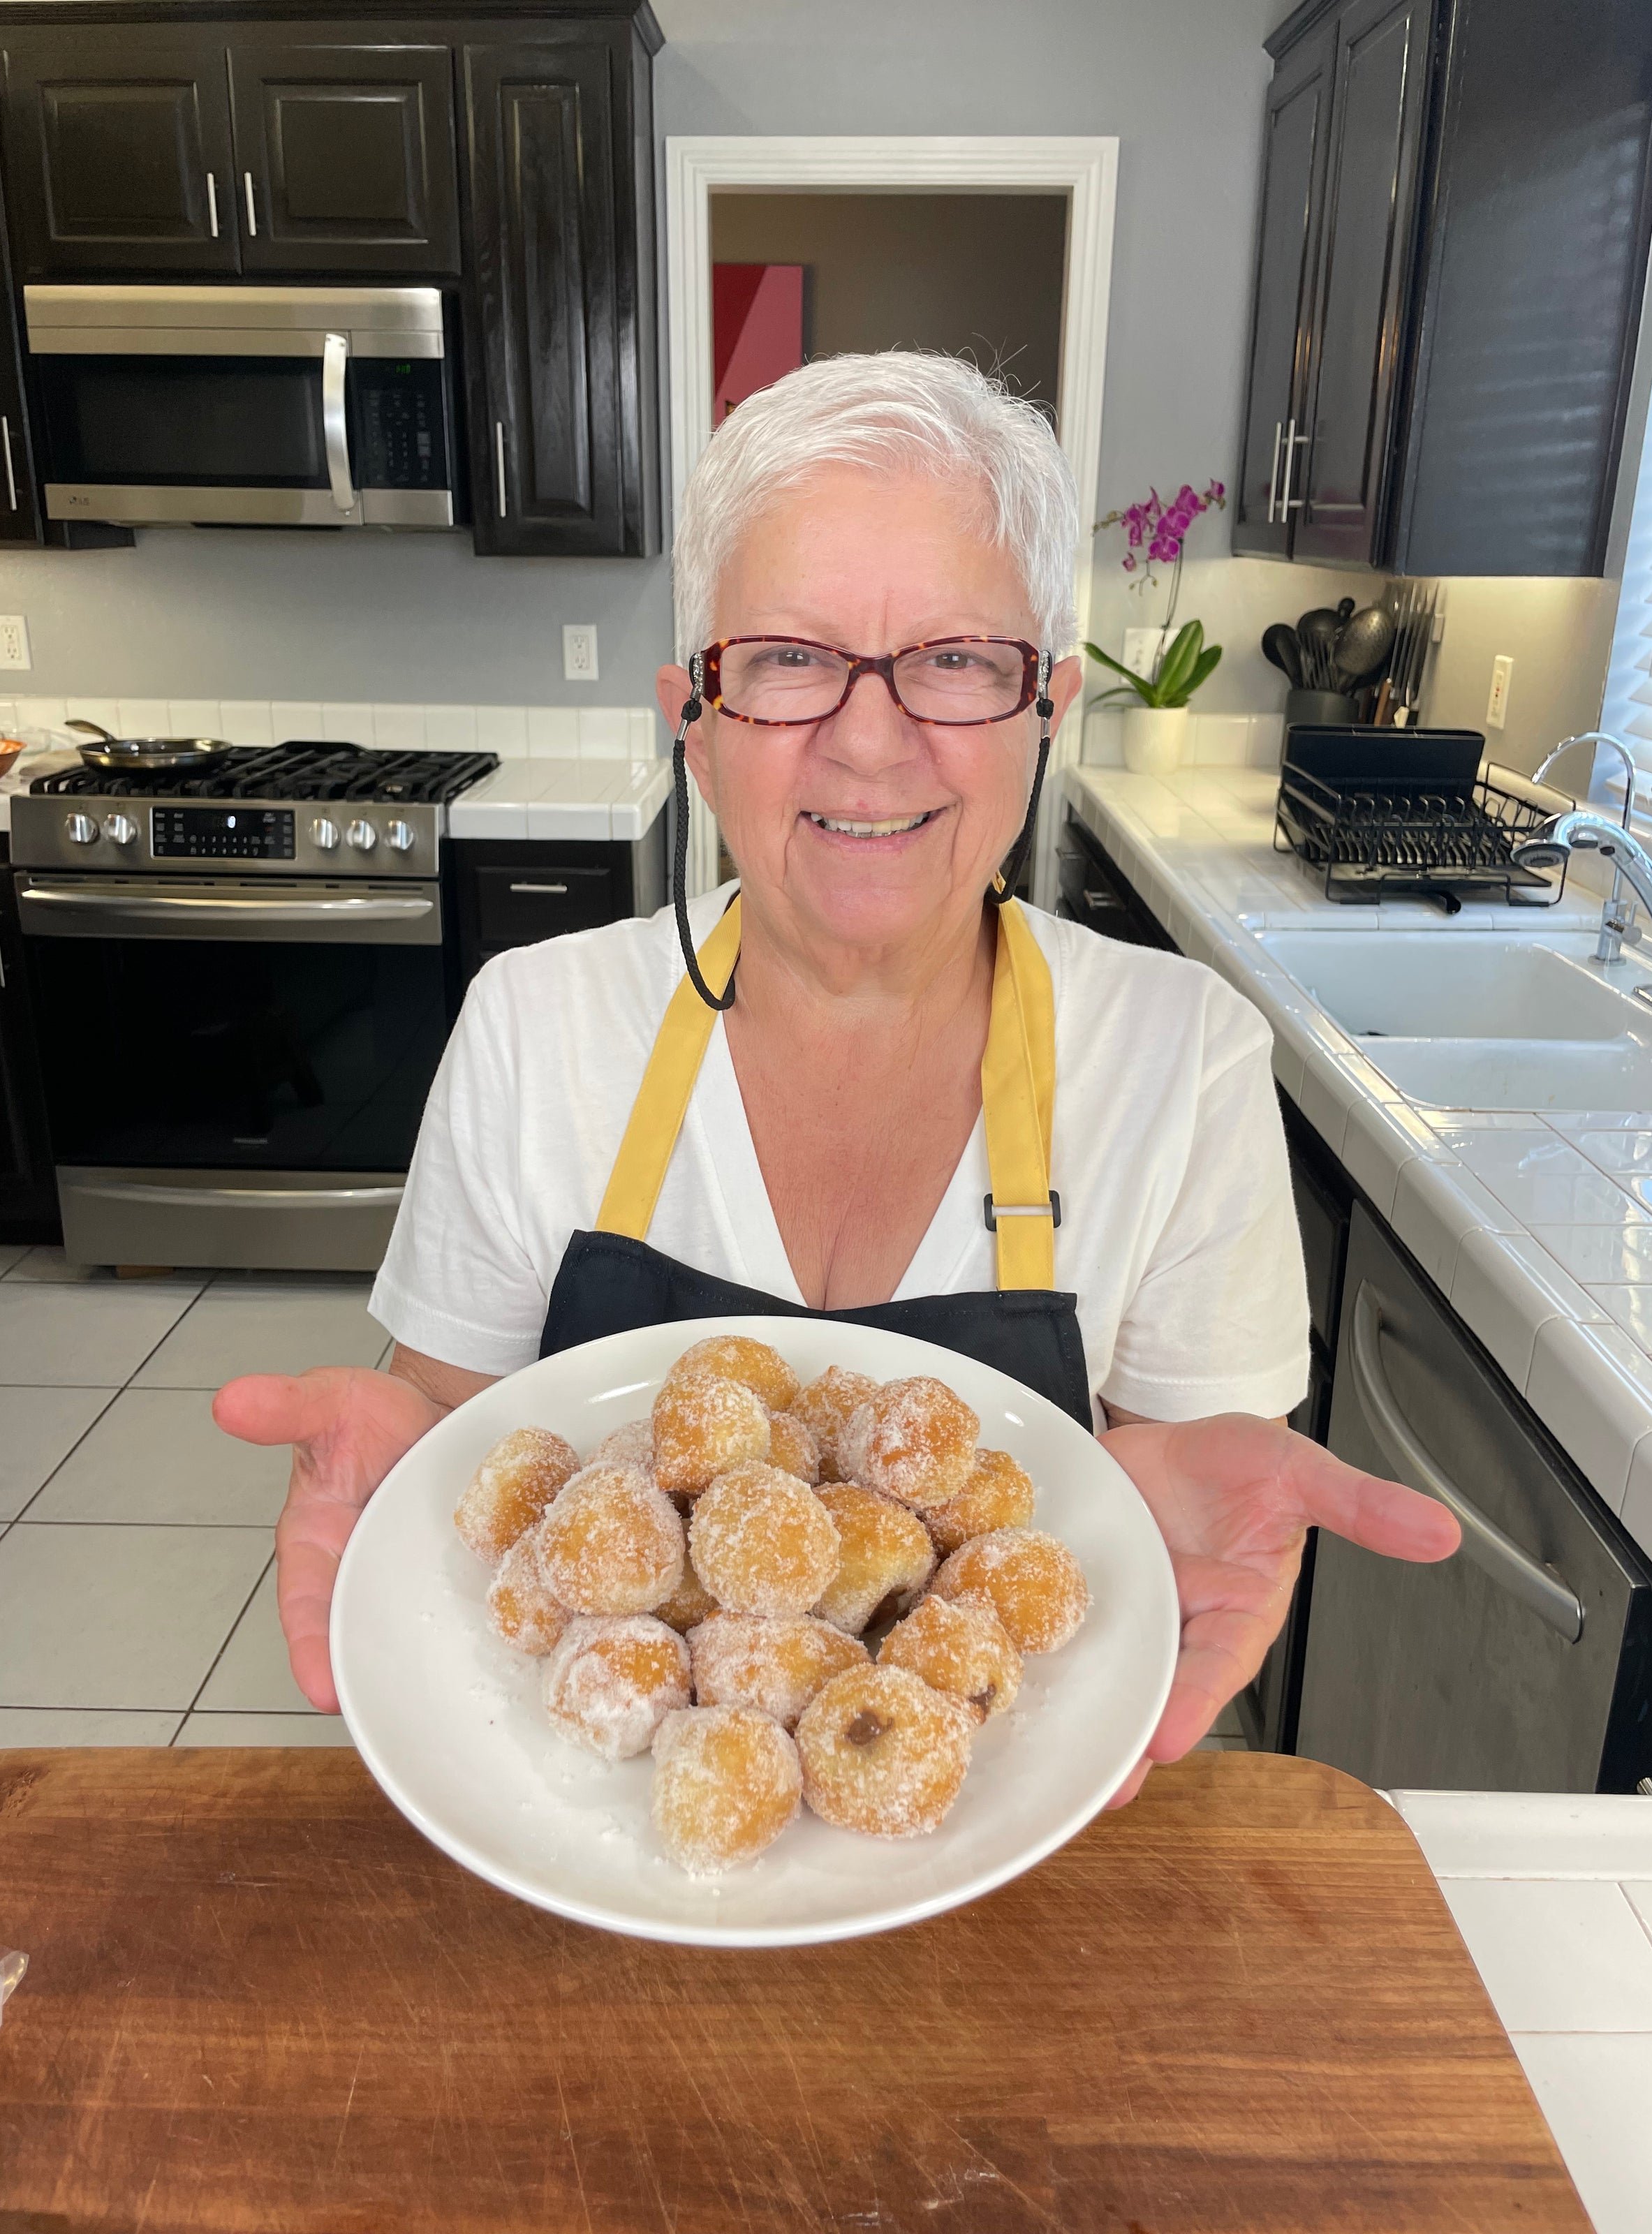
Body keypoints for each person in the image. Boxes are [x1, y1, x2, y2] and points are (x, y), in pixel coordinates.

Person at [215, 352, 1457, 1804]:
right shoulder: (532, 1026)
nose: (870, 743)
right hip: (589, 1860)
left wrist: (1178, 1485)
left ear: (1047, 704)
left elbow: (1170, 1481)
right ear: (697, 714)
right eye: (792, 658)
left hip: (1000, 1848)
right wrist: (412, 1456)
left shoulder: (1180, 1058)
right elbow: (458, 1437)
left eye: (954, 659)